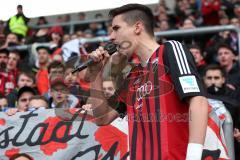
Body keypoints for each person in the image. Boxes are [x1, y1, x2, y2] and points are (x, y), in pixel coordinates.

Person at [84, 3, 208, 160]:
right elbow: (102, 118)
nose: (112, 37)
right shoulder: (132, 76)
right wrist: (95, 74)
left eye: (116, 28)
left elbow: (199, 101)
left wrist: (193, 156)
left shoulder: (170, 49)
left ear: (137, 27)